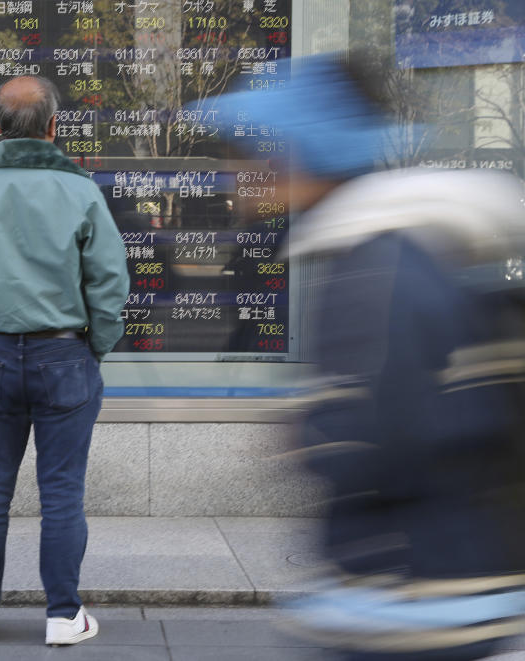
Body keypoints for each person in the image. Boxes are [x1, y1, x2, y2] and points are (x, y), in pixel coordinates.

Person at [201, 54, 525, 660]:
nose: (236, 173)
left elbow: (380, 434)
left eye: (250, 154)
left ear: (299, 156)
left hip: (414, 595)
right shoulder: (409, 247)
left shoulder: (375, 267)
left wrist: (312, 431)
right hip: (449, 574)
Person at [0, 75, 129, 646]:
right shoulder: (80, 192)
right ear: (53, 128)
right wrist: (95, 346)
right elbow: (110, 283)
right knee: (62, 490)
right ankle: (64, 617)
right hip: (64, 353)